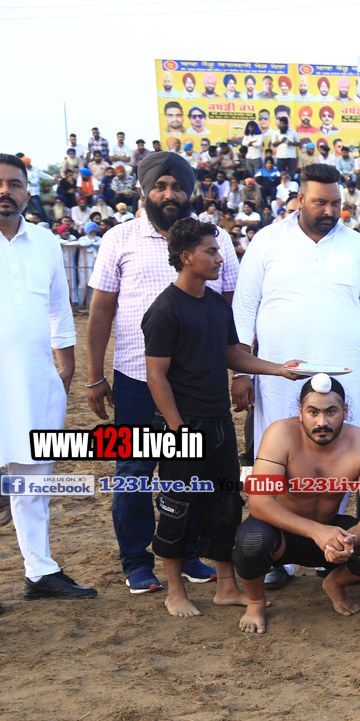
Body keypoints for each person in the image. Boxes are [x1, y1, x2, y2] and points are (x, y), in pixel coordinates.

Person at [232, 164, 360, 588]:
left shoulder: (356, 246)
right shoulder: (267, 240)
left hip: (346, 373)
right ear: (299, 200)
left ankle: (335, 550)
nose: (329, 211)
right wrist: (242, 370)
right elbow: (244, 308)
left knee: (342, 457)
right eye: (320, 202)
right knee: (279, 456)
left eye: (336, 203)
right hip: (279, 377)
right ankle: (280, 558)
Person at [87, 152, 239, 593]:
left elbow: (230, 308)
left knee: (192, 474)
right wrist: (95, 376)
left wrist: (240, 370)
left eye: (177, 187)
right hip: (137, 380)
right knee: (135, 472)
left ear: (190, 191)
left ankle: (188, 555)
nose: (169, 194)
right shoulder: (119, 238)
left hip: (197, 387)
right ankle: (136, 561)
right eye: (160, 186)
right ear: (144, 190)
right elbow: (101, 310)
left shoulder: (216, 239)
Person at [142, 218, 302, 618]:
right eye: (210, 251)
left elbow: (233, 354)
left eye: (218, 251)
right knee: (176, 505)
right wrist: (177, 429)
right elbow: (155, 376)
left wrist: (277, 369)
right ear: (186, 257)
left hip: (218, 422)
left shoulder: (216, 304)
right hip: (181, 425)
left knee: (226, 504)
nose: (219, 258)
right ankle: (175, 591)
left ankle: (226, 587)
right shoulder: (164, 310)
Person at [0, 153, 96, 604]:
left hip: (36, 376)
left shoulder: (44, 242)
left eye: (15, 184)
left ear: (27, 192)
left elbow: (59, 307)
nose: (5, 191)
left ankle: (39, 571)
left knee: (32, 477)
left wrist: (67, 365)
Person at [232, 375, 360, 633]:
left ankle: (335, 583)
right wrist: (316, 531)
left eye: (331, 412)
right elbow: (260, 502)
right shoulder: (280, 434)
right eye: (313, 412)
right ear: (300, 412)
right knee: (251, 541)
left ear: (345, 411)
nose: (322, 422)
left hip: (331, 533)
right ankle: (255, 602)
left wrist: (350, 540)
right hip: (282, 533)